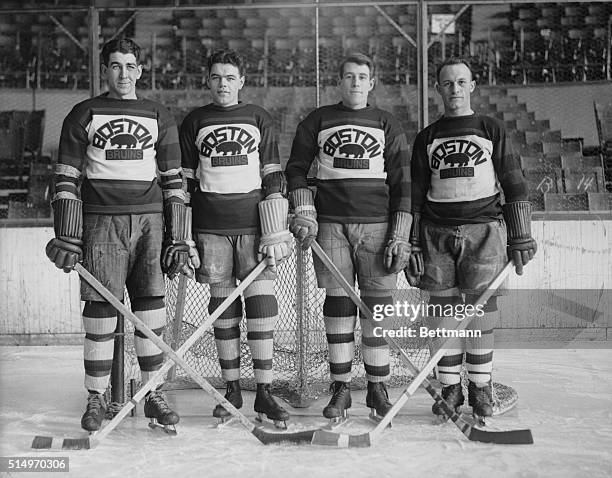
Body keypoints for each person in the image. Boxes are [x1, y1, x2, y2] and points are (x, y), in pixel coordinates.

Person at [45, 38, 190, 433]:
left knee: (150, 308)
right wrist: (68, 235)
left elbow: (174, 180)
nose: (123, 74)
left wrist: (178, 235)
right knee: (101, 311)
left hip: (149, 221)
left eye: (130, 66)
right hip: (100, 222)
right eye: (115, 66)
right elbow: (66, 179)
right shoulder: (83, 112)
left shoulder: (159, 114)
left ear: (141, 70)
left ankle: (152, 393)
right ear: (105, 70)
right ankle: (96, 396)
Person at [406, 57, 537, 421]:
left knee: (479, 312)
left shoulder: (490, 127)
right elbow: (415, 193)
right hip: (436, 233)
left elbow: (513, 179)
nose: (455, 89)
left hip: (485, 231)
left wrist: (521, 233)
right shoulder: (427, 137)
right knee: (444, 314)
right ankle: (450, 388)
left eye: (461, 82)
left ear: (473, 85)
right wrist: (412, 240)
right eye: (447, 83)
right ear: (438, 88)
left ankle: (480, 387)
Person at [285, 53, 412, 424]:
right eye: (349, 77)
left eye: (362, 77)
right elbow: (295, 169)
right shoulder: (317, 120)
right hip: (330, 225)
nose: (355, 83)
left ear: (372, 83)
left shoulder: (387, 123)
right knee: (339, 303)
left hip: (377, 225)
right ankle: (340, 387)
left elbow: (403, 181)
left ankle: (377, 386)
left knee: (377, 306)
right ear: (338, 82)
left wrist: (401, 233)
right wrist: (304, 208)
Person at [179, 50, 292, 428]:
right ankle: (232, 388)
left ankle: (264, 390)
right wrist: (184, 234)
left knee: (261, 308)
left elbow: (274, 174)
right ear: (207, 81)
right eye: (216, 77)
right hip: (211, 228)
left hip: (254, 227)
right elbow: (186, 182)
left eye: (230, 77)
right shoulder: (194, 121)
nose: (223, 83)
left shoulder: (259, 117)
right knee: (223, 309)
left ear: (242, 81)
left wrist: (276, 227)